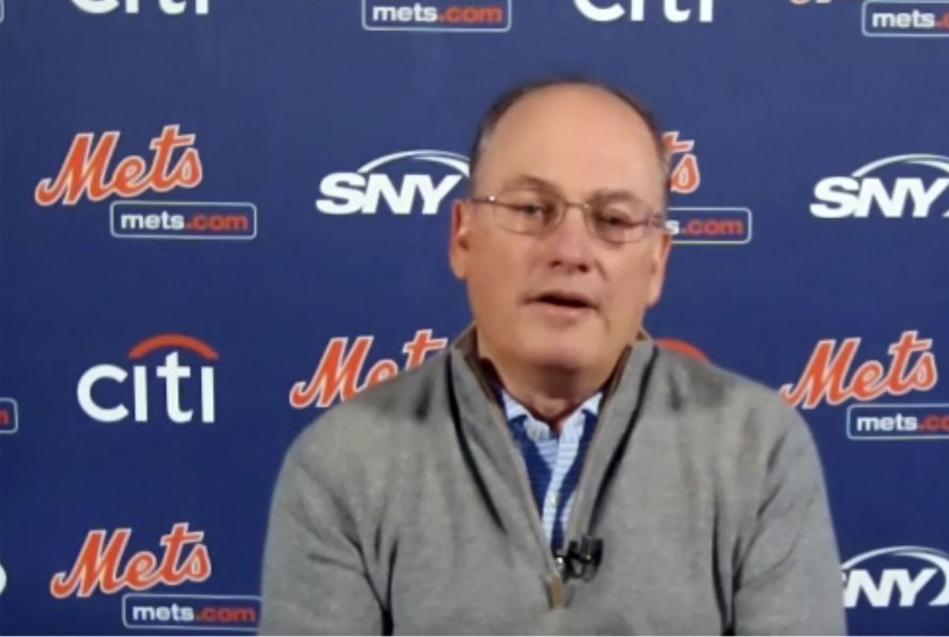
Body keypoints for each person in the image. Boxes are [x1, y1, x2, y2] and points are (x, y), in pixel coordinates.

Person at [259, 77, 846, 635]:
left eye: (613, 220)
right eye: (531, 210)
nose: (570, 251)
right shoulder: (344, 463)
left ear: (657, 264)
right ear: (463, 236)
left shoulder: (757, 448)